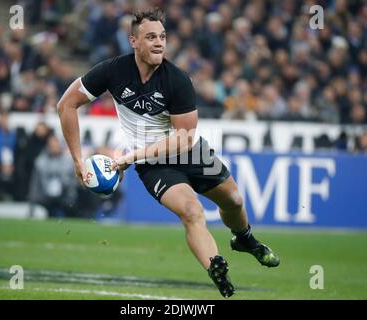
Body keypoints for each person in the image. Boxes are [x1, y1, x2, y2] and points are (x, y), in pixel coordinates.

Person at [57, 7, 279, 298]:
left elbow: (184, 139)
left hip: (190, 152)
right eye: (150, 37)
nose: (159, 42)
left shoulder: (177, 80)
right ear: (133, 42)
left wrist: (128, 157)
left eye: (162, 36)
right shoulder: (112, 71)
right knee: (192, 211)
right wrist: (77, 160)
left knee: (235, 200)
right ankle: (215, 266)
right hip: (154, 166)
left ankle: (245, 239)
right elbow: (66, 105)